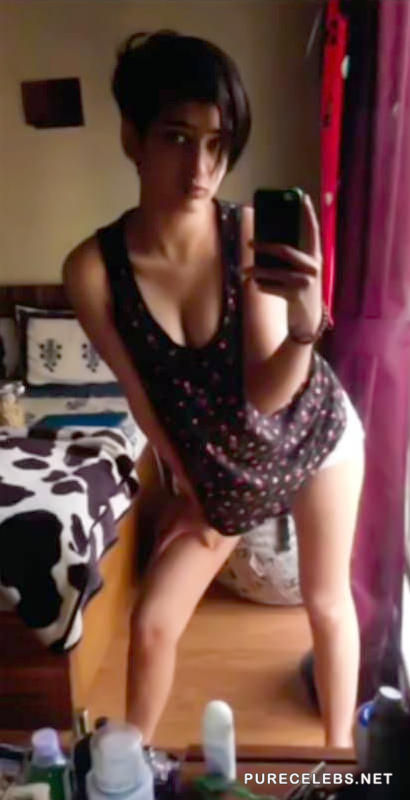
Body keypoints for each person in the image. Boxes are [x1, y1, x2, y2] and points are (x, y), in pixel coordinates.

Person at [63, 30, 365, 748]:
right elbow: (141, 398)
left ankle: (340, 765)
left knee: (326, 602)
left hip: (314, 433)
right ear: (132, 137)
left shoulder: (246, 236)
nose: (201, 169)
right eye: (177, 138)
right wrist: (188, 485)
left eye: (218, 143)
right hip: (227, 470)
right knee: (152, 620)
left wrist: (303, 327)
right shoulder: (94, 270)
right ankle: (130, 762)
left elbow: (268, 395)